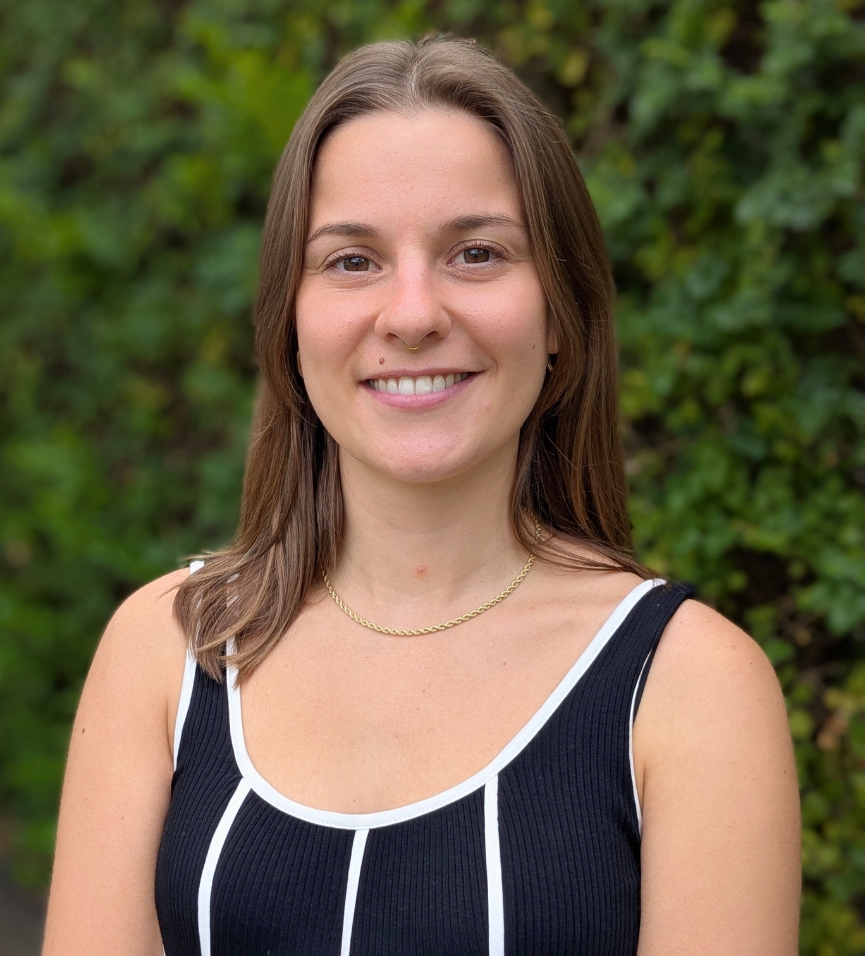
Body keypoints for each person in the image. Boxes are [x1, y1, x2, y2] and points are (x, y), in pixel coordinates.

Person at [42, 36, 801, 956]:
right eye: (352, 261)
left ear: (560, 313)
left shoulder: (691, 687)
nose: (411, 314)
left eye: (476, 253)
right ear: (289, 322)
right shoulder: (167, 650)